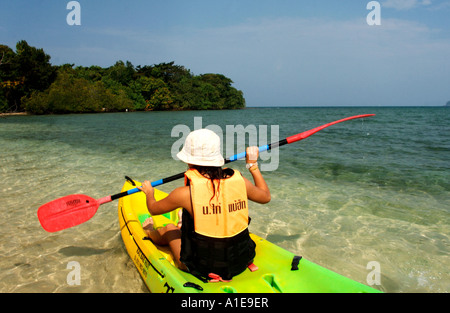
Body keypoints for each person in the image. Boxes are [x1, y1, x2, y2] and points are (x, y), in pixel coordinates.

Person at [138, 128, 271, 281]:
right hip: (242, 260)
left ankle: (149, 232)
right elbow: (266, 196)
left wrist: (149, 192)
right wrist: (252, 165)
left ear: (189, 160)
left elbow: (153, 209)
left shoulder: (183, 194)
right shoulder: (240, 181)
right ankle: (184, 221)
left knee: (169, 229)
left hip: (202, 266)